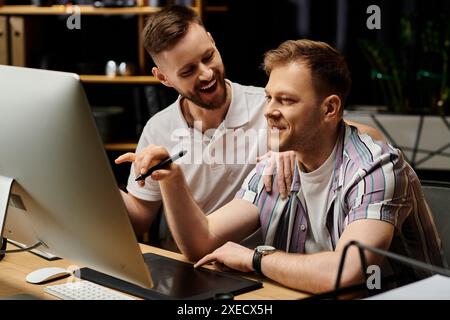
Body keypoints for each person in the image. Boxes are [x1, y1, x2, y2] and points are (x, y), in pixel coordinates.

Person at [134, 39, 445, 294]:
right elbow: (202, 242)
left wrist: (254, 259)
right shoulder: (278, 163)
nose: (269, 111)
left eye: (286, 100)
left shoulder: (374, 169)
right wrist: (171, 178)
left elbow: (346, 270)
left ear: (330, 108)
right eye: (269, 97)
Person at [115, 6, 382, 252]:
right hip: (190, 259)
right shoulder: (159, 127)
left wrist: (296, 145)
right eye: (188, 71)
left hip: (255, 261)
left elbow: (369, 137)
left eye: (208, 57)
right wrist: (94, 181)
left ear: (212, 40)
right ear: (163, 77)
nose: (206, 73)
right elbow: (140, 218)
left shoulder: (268, 107)